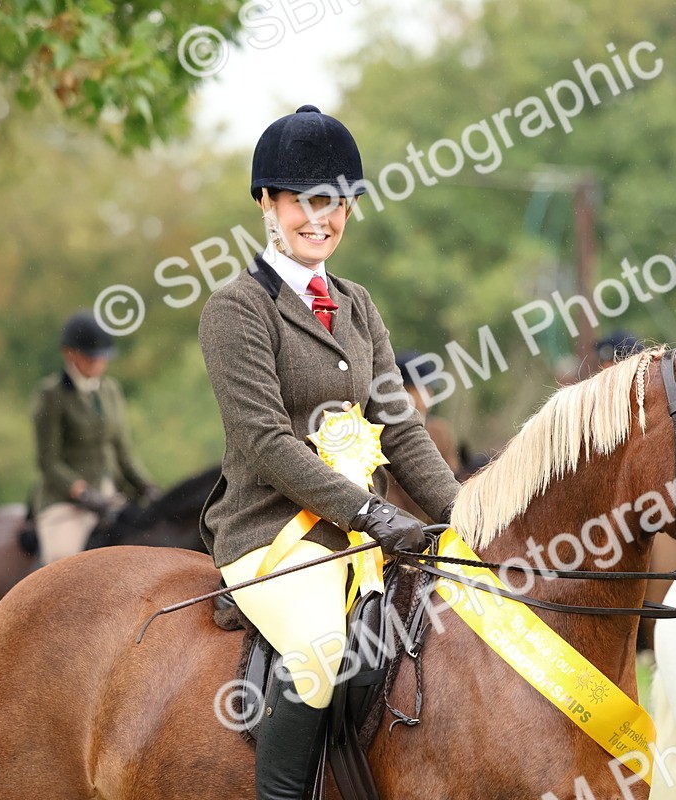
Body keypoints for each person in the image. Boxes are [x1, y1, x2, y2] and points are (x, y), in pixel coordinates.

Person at [198, 105, 460, 800]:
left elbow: (399, 427)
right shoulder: (236, 309)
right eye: (306, 202)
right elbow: (266, 442)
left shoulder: (357, 303)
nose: (323, 218)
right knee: (318, 651)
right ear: (268, 203)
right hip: (271, 531)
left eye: (336, 203)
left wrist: (465, 515)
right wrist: (371, 512)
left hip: (354, 535)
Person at [32, 311, 159, 565]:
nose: (99, 364)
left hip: (109, 495)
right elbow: (49, 461)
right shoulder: (51, 394)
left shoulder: (111, 390)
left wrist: (147, 487)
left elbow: (123, 450)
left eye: (103, 358)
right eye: (92, 358)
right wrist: (83, 493)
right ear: (70, 353)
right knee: (65, 562)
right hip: (67, 503)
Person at [382, 351, 461, 520]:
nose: (429, 395)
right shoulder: (381, 432)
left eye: (429, 388)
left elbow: (452, 474)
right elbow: (387, 490)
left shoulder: (440, 430)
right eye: (420, 389)